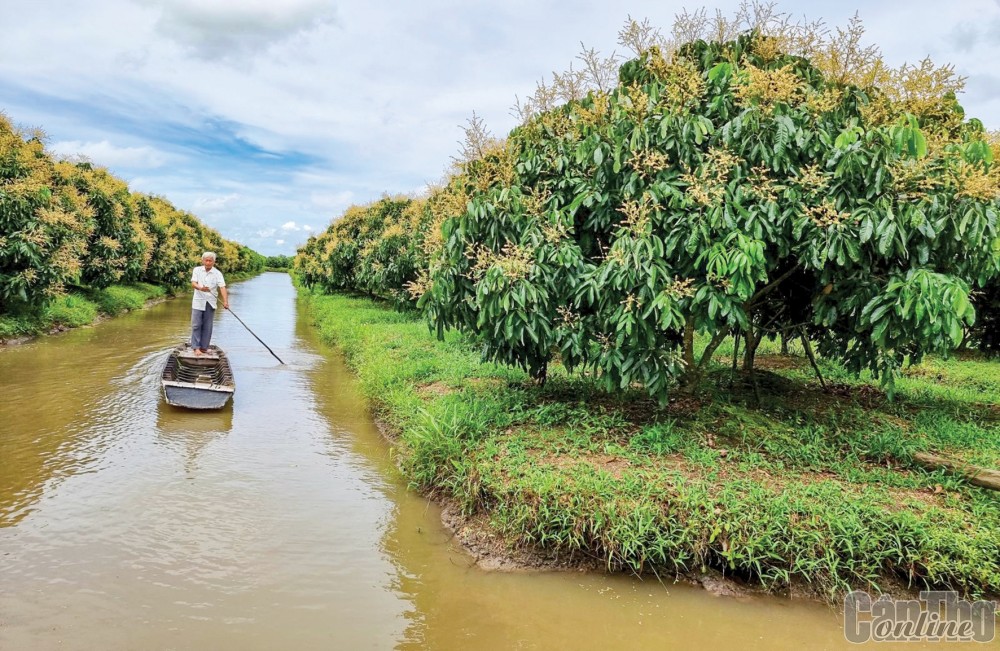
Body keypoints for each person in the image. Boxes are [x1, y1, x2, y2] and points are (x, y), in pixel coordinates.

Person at [190, 251, 228, 354]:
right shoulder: (197, 270)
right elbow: (193, 283)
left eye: (210, 261)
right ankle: (196, 347)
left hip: (210, 302)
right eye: (206, 260)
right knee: (196, 325)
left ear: (214, 262)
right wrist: (201, 288)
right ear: (203, 261)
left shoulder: (217, 273)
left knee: (207, 326)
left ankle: (204, 347)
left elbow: (222, 287)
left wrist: (225, 302)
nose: (208, 263)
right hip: (198, 301)